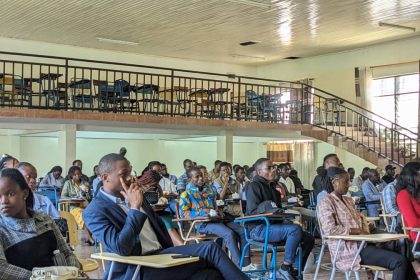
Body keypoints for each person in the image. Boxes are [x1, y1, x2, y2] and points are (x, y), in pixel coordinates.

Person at [83, 153, 249, 280]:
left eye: (130, 171)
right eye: (123, 173)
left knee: (210, 275)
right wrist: (134, 208)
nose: (130, 177)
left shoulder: (134, 194)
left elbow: (160, 227)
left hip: (162, 257)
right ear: (105, 177)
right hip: (137, 267)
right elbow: (122, 247)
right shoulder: (94, 211)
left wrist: (175, 253)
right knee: (210, 249)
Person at [318, 166, 417, 280]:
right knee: (400, 261)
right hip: (351, 250)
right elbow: (329, 230)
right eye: (345, 182)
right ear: (335, 182)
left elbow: (360, 222)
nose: (349, 185)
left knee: (403, 246)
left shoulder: (348, 200)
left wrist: (370, 228)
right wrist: (356, 231)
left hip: (365, 243)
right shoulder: (326, 202)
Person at [0, 168, 79, 279]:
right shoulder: (2, 229)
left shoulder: (44, 219)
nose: (3, 201)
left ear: (25, 193)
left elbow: (66, 253)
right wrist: (43, 277)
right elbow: (2, 269)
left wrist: (73, 272)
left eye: (10, 193)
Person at [246, 158, 314, 279]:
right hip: (258, 229)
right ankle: (285, 267)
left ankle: (295, 269)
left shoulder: (274, 190)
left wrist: (283, 217)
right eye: (269, 168)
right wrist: (269, 213)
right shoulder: (254, 186)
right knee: (294, 230)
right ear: (259, 171)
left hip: (273, 226)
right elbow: (252, 213)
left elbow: (276, 210)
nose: (273, 170)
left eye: (273, 167)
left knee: (308, 238)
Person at [180, 167, 249, 267]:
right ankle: (241, 266)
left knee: (243, 231)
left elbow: (217, 204)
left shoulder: (209, 191)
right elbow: (185, 214)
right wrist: (203, 212)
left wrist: (219, 210)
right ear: (190, 179)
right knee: (229, 234)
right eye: (197, 176)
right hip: (203, 223)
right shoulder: (186, 194)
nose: (201, 178)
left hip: (218, 220)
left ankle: (247, 262)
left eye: (202, 175)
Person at [396, 162, 420, 251]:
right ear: (411, 176)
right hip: (417, 237)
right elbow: (413, 224)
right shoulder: (403, 195)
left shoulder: (417, 194)